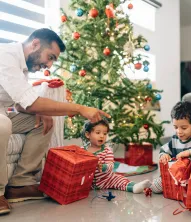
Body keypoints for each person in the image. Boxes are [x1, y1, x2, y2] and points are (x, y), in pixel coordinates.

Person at [0, 28, 110, 215]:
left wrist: (41, 111)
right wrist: (80, 108)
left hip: (3, 111)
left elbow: (21, 103)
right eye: (49, 57)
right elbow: (33, 103)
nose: (48, 65)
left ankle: (20, 183)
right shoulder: (6, 56)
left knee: (44, 121)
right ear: (35, 44)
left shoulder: (22, 67)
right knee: (3, 124)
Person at [150, 101, 191, 193]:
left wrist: (190, 152)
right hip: (178, 177)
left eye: (184, 128)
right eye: (176, 127)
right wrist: (163, 155)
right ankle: (145, 185)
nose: (179, 132)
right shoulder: (174, 140)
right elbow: (163, 149)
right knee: (156, 187)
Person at [82, 120, 151, 193]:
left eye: (105, 133)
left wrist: (104, 166)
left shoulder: (107, 151)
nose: (102, 136)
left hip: (107, 179)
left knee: (119, 179)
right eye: (98, 133)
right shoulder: (82, 150)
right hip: (89, 182)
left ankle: (134, 187)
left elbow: (111, 165)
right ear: (88, 135)